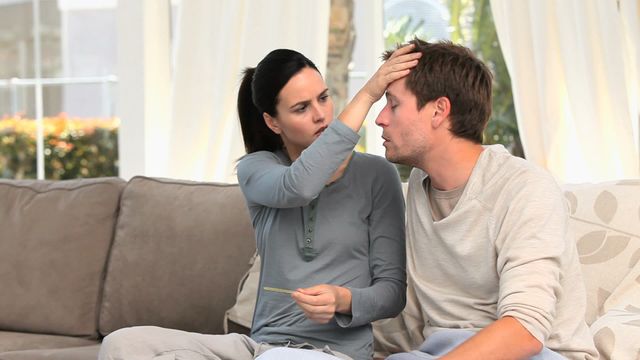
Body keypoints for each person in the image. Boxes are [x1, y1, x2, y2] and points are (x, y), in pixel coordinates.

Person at [98, 45, 421, 360]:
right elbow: (300, 185)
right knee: (122, 344)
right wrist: (366, 95)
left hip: (335, 353)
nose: (321, 115)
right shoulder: (258, 170)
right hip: (259, 348)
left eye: (323, 98)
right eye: (301, 108)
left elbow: (391, 292)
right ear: (273, 122)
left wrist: (344, 299)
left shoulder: (377, 175)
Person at [372, 39, 599, 360]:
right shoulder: (418, 187)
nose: (380, 118)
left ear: (439, 110)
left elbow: (525, 330)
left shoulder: (524, 188)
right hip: (439, 351)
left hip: (534, 353)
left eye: (393, 104)